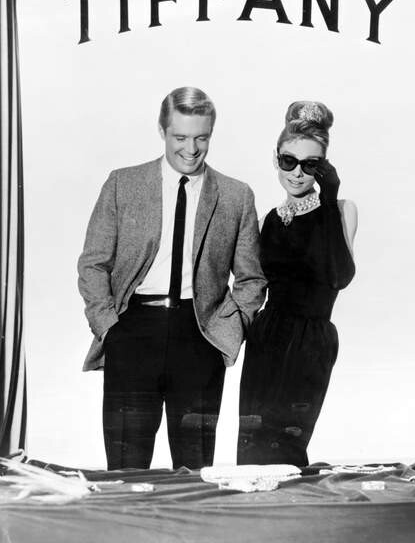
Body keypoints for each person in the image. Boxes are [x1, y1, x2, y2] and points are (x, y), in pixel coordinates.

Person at [78, 86, 266, 470]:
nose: (191, 149)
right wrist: (110, 329)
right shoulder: (122, 184)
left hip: (199, 338)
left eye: (201, 138)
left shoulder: (236, 196)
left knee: (195, 471)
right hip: (132, 332)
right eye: (180, 137)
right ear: (162, 130)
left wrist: (227, 332)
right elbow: (93, 264)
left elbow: (251, 279)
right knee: (126, 470)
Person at [237, 100, 357, 467]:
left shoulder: (341, 210)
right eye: (289, 161)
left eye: (311, 165)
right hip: (267, 337)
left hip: (311, 341)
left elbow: (339, 276)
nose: (298, 173)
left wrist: (329, 199)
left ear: (323, 168)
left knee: (287, 448)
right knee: (252, 446)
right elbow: (252, 283)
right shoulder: (268, 221)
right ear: (276, 160)